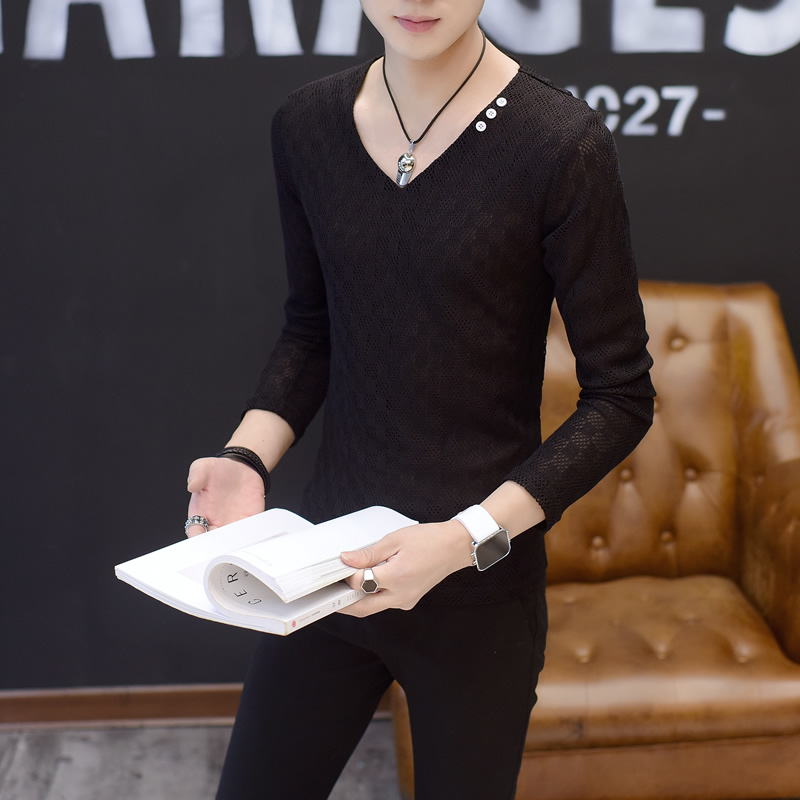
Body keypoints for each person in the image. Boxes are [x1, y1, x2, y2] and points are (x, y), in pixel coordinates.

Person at [185, 3, 655, 798]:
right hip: (327, 566)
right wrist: (245, 456)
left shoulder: (559, 143)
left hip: (477, 594)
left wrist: (467, 538)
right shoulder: (307, 124)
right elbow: (313, 330)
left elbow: (620, 397)